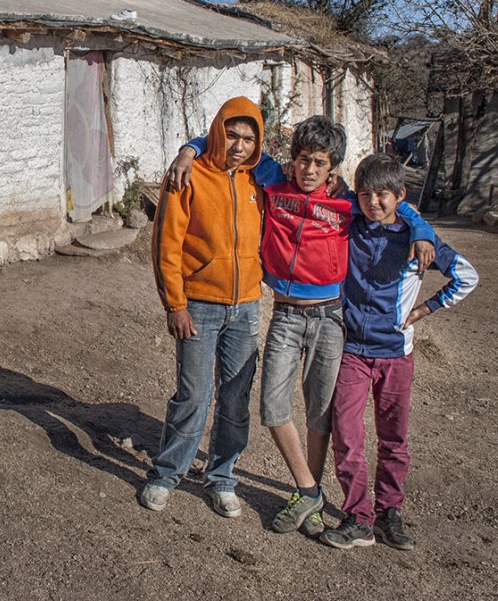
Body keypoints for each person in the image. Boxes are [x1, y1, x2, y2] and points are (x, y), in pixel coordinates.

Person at [166, 116, 433, 537]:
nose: (309, 170)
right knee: (273, 409)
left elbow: (398, 208)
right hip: (286, 317)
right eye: (303, 160)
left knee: (320, 414)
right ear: (292, 161)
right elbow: (234, 144)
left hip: (330, 319)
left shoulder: (348, 205)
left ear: (334, 169)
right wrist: (189, 149)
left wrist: (421, 229)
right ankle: (310, 490)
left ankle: (304, 496)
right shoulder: (274, 180)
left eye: (320, 163)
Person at [321, 153, 478, 550]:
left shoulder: (415, 238)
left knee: (393, 438)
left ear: (399, 196)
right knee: (346, 433)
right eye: (365, 194)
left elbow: (467, 276)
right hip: (352, 350)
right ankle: (358, 515)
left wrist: (425, 309)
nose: (373, 202)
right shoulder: (350, 224)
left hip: (396, 354)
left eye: (383, 195)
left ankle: (390, 511)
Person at [141, 96, 274, 518]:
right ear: (217, 131)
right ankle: (166, 474)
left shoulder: (261, 179)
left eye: (248, 138)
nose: (239, 145)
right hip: (199, 305)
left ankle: (221, 477)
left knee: (235, 399)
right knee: (194, 395)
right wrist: (174, 304)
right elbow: (167, 242)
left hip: (247, 305)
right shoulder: (188, 174)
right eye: (231, 135)